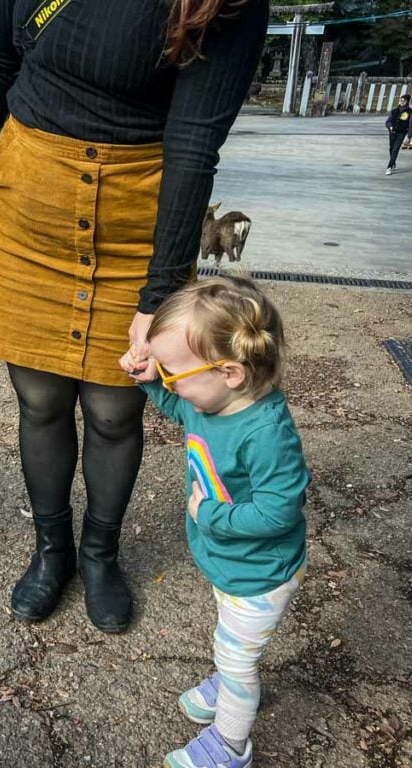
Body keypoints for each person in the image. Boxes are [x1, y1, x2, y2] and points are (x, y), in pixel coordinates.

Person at [0, 0, 268, 633]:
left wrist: (159, 297)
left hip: (140, 213)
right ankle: (51, 550)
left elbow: (196, 142)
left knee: (117, 407)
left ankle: (99, 554)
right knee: (38, 400)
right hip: (30, 204)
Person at [123, 276, 309, 768]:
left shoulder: (266, 433)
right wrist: (150, 384)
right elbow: (184, 411)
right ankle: (231, 680)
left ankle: (230, 747)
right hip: (233, 565)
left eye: (172, 374)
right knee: (230, 644)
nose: (169, 383)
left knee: (237, 657)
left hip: (260, 574)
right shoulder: (216, 400)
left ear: (228, 371)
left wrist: (209, 514)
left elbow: (277, 510)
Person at [385, 94, 412, 176]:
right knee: (391, 148)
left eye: (404, 101)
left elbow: (411, 124)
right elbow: (388, 122)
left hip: (401, 133)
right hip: (392, 132)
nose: (402, 102)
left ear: (407, 102)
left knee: (395, 149)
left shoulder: (410, 112)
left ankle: (389, 167)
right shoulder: (394, 110)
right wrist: (390, 127)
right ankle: (393, 161)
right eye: (401, 100)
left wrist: (409, 136)